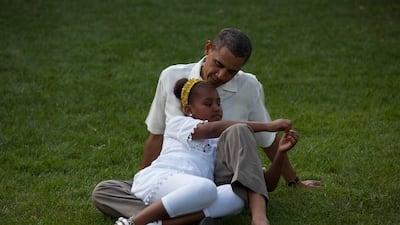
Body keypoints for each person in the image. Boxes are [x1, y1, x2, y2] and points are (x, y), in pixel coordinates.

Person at [92, 28, 320, 224]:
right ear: (208, 48)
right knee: (104, 190)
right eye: (218, 64)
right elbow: (156, 136)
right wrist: (142, 177)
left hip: (215, 174)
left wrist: (293, 180)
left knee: (237, 153)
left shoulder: (249, 86)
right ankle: (184, 217)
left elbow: (267, 145)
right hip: (172, 175)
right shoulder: (171, 77)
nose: (222, 75)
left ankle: (249, 216)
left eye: (232, 71)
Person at [114, 78, 298, 225]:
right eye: (208, 104)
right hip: (162, 180)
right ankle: (133, 222)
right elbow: (210, 129)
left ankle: (158, 224)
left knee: (236, 195)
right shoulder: (179, 124)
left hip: (194, 193)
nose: (217, 108)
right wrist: (267, 126)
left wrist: (280, 154)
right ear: (188, 110)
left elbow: (262, 184)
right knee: (206, 188)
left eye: (218, 103)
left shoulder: (222, 141)